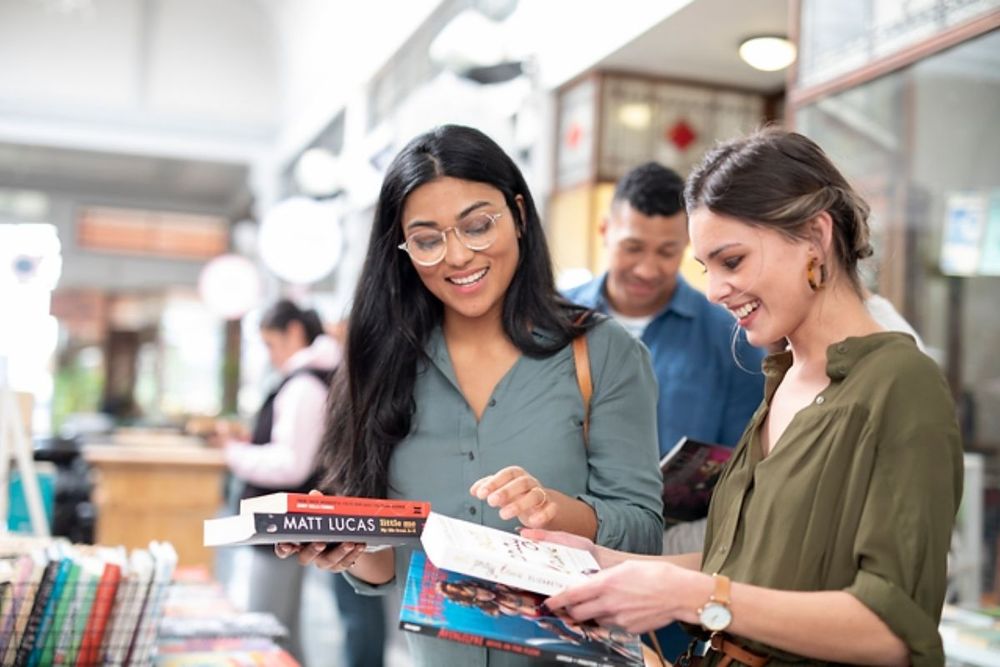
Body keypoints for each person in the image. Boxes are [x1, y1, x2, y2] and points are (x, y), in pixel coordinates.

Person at [528, 128, 963, 666]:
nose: (714, 291)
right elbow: (745, 566)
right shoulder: (782, 378)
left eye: (731, 261)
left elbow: (895, 631)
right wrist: (603, 562)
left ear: (815, 236)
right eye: (706, 268)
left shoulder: (900, 383)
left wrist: (690, 597)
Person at [276, 124, 664, 667]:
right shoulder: (384, 361)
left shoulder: (602, 353)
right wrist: (344, 546)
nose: (457, 256)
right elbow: (387, 568)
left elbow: (644, 534)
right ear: (404, 250)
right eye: (428, 239)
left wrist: (557, 510)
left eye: (478, 225)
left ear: (520, 217)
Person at [216, 300, 385, 665]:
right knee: (281, 634)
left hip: (283, 523)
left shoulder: (305, 384)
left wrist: (234, 454)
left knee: (267, 632)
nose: (270, 355)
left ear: (294, 332)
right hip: (290, 524)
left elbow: (291, 464)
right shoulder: (316, 378)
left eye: (271, 344)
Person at [563, 161, 765, 458]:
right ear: (605, 230)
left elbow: (743, 458)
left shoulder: (732, 338)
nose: (647, 270)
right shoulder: (549, 319)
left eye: (667, 252)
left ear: (687, 244)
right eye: (632, 248)